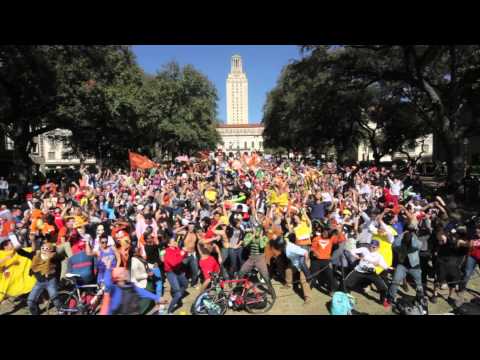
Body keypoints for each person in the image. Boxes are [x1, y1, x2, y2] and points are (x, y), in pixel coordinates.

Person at [14, 239, 63, 315]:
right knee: (30, 301)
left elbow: (59, 257)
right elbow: (23, 253)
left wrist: (51, 256)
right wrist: (17, 248)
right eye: (43, 248)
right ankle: (35, 313)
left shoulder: (54, 258)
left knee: (55, 299)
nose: (44, 250)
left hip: (51, 281)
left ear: (51, 250)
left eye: (47, 249)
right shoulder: (35, 257)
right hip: (39, 282)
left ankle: (61, 310)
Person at [345, 240, 393, 308]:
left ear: (378, 247)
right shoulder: (364, 249)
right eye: (370, 246)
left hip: (371, 273)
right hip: (359, 271)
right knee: (346, 283)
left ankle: (382, 301)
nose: (371, 248)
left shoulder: (379, 256)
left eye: (374, 247)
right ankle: (346, 298)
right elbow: (352, 251)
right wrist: (356, 256)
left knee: (384, 288)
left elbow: (384, 266)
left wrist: (389, 268)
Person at [388, 228, 424, 304]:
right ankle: (391, 298)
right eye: (406, 238)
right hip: (402, 265)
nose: (407, 240)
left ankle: (420, 298)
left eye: (408, 238)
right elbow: (393, 244)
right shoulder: (400, 243)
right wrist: (402, 234)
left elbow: (419, 245)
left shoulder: (414, 244)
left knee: (419, 284)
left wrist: (413, 235)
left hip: (414, 266)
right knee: (395, 281)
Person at [163, 237, 188, 314]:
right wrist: (181, 254)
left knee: (185, 284)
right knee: (178, 293)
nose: (175, 242)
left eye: (175, 241)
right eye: (173, 241)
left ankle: (176, 294)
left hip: (178, 271)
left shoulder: (176, 249)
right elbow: (174, 263)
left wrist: (185, 252)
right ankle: (169, 310)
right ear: (169, 244)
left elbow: (183, 256)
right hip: (171, 273)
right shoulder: (167, 252)